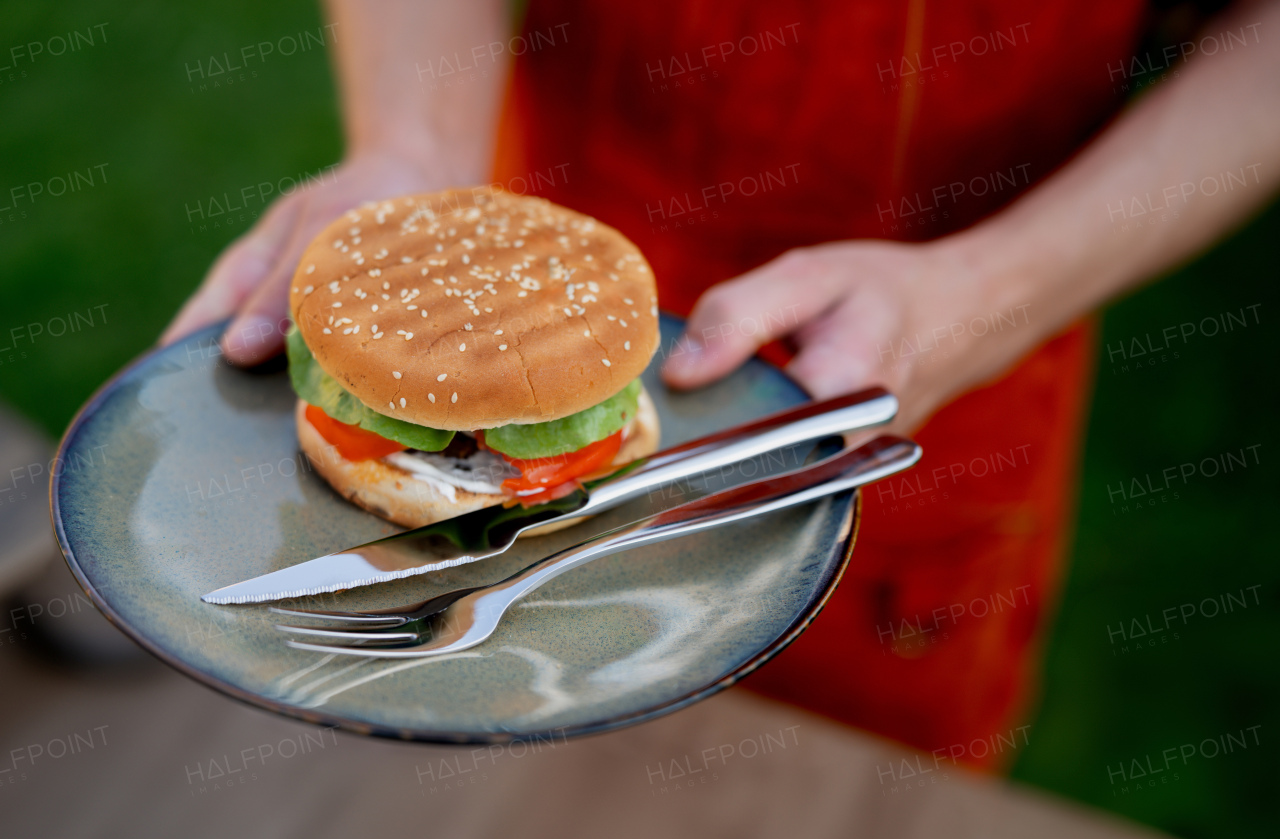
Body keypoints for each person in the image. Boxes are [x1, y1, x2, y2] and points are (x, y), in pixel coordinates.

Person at [163, 0, 1280, 768]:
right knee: (502, 778)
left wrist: (996, 285)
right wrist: (414, 154)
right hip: (521, 257)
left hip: (926, 356)